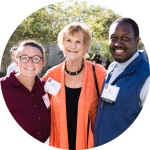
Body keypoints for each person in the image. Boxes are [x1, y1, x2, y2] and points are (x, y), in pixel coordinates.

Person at [42, 22, 107, 150]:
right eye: (68, 40)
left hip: (90, 142)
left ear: (85, 46)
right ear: (62, 43)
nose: (73, 46)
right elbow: (38, 103)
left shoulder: (98, 73)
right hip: (59, 141)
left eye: (78, 41)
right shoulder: (52, 75)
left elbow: (112, 106)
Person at [94, 17, 150, 147]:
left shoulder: (147, 75)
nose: (118, 43)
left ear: (136, 41)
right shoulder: (113, 67)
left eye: (125, 38)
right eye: (113, 38)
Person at [0, 40, 51, 143]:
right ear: (16, 61)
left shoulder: (45, 88)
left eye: (36, 58)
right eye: (24, 58)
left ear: (42, 63)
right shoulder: (2, 87)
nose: (30, 63)